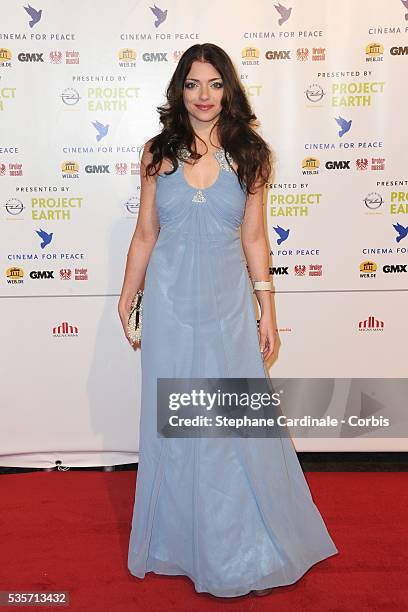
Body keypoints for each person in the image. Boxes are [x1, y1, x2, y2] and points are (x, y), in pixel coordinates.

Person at [118, 43, 338, 599]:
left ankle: (236, 546)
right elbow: (146, 234)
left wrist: (268, 306)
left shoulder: (250, 155)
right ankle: (179, 544)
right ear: (179, 90)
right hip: (170, 310)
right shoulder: (156, 154)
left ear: (229, 89)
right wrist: (128, 293)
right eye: (193, 84)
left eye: (215, 84)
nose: (204, 96)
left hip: (227, 309)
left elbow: (255, 238)